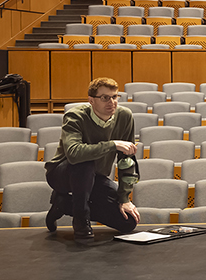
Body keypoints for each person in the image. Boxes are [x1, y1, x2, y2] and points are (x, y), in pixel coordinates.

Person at [44, 77, 142, 240]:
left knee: (128, 222)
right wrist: (112, 145)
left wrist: (124, 198)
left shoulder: (124, 117)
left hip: (95, 177)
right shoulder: (75, 116)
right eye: (105, 98)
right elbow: (74, 154)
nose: (111, 102)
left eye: (114, 97)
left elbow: (127, 160)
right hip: (62, 174)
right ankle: (81, 220)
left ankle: (63, 204)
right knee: (85, 162)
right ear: (91, 100)